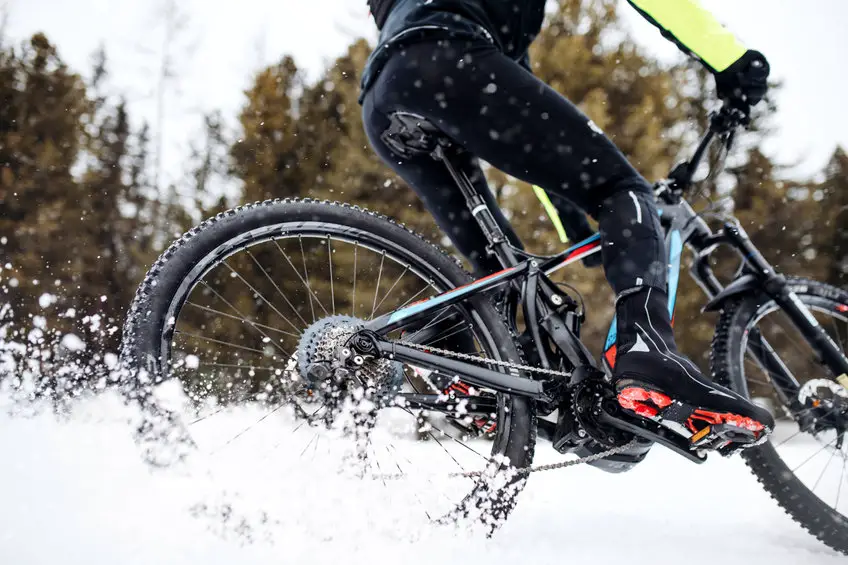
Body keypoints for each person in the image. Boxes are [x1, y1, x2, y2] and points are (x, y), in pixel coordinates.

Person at [360, 0, 774, 448]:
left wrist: (575, 225)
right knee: (620, 188)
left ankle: (454, 355)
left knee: (499, 272)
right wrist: (729, 59)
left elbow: (536, 146)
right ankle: (645, 351)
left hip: (385, 93)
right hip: (450, 57)